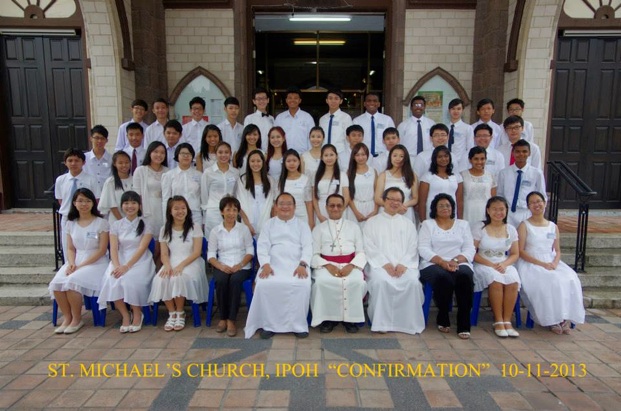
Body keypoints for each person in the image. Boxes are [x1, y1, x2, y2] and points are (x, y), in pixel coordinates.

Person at [245, 192, 313, 339]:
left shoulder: (302, 225)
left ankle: (298, 325)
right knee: (264, 284)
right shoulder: (269, 224)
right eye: (281, 203)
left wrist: (303, 264)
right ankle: (269, 325)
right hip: (273, 264)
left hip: (297, 264)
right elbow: (262, 247)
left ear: (295, 207)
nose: (285, 207)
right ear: (275, 206)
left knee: (302, 285)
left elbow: (308, 247)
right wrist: (265, 264)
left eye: (289, 203)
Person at [517, 191, 585, 334]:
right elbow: (521, 251)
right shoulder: (524, 225)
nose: (537, 205)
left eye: (539, 201)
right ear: (528, 206)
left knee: (571, 278)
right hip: (531, 262)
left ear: (545, 203)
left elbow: (557, 250)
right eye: (533, 202)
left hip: (551, 260)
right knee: (551, 280)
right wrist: (541, 264)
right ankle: (552, 319)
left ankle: (565, 317)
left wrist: (554, 263)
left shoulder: (553, 226)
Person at [363, 187, 425, 334]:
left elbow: (413, 246)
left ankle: (408, 324)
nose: (394, 203)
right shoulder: (372, 222)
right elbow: (369, 246)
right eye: (391, 199)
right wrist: (384, 264)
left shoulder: (408, 223)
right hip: (379, 266)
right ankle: (382, 323)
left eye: (398, 200)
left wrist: (403, 264)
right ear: (384, 200)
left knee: (412, 282)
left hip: (405, 266)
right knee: (381, 282)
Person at [49, 188, 109, 334]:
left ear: (93, 203)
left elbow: (102, 250)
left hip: (96, 262)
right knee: (57, 283)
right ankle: (67, 318)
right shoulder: (71, 223)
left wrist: (80, 266)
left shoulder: (101, 223)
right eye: (80, 201)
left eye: (87, 201)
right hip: (76, 260)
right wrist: (71, 263)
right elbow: (70, 248)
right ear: (74, 203)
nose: (84, 204)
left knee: (72, 282)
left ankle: (77, 319)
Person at [419, 193, 476, 339]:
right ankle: (443, 315)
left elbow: (470, 248)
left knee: (465, 276)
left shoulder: (463, 225)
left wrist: (455, 261)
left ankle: (464, 323)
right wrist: (442, 262)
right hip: (432, 262)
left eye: (448, 205)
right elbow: (423, 248)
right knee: (443, 277)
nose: (445, 208)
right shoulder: (427, 224)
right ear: (434, 208)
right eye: (441, 205)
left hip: (459, 261)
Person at [98, 191, 155, 333]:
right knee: (113, 279)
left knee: (130, 280)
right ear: (122, 205)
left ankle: (137, 313)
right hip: (120, 258)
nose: (130, 206)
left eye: (134, 203)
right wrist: (117, 265)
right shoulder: (116, 225)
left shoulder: (146, 224)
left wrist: (127, 266)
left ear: (139, 205)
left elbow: (142, 248)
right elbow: (114, 248)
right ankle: (125, 314)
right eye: (126, 203)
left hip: (140, 260)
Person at [148, 196, 209, 331]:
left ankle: (180, 311)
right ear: (170, 211)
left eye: (183, 208)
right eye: (176, 208)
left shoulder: (195, 227)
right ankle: (172, 312)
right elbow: (164, 254)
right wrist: (168, 266)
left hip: (191, 262)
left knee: (178, 278)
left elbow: (197, 252)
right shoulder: (165, 229)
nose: (180, 211)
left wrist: (181, 266)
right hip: (171, 261)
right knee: (161, 278)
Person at [311, 194, 367, 333]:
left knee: (356, 282)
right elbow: (313, 254)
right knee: (322, 282)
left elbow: (361, 252)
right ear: (326, 207)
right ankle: (329, 319)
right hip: (326, 265)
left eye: (339, 205)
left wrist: (352, 265)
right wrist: (328, 265)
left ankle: (350, 319)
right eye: (332, 205)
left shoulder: (353, 227)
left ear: (343, 207)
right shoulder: (319, 228)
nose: (335, 208)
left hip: (350, 264)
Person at [472, 196, 520, 338]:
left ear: (506, 211)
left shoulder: (511, 229)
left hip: (503, 263)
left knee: (513, 280)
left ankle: (507, 321)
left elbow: (515, 253)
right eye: (494, 209)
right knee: (496, 280)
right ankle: (498, 321)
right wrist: (491, 264)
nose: (498, 212)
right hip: (483, 263)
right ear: (488, 210)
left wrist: (504, 264)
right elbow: (472, 253)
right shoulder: (479, 227)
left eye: (501, 209)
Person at [207, 196, 254, 337]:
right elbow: (210, 255)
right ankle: (222, 318)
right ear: (222, 211)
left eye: (234, 210)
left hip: (242, 266)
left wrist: (239, 265)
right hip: (222, 265)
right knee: (221, 280)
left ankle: (232, 320)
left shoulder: (243, 229)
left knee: (235, 281)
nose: (231, 213)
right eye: (228, 209)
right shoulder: (215, 231)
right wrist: (220, 267)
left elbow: (250, 251)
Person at [55, 148, 101, 257]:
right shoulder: (61, 180)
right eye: (70, 160)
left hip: (86, 218)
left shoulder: (91, 179)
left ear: (83, 162)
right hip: (67, 218)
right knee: (68, 249)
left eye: (77, 160)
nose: (73, 163)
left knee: (86, 246)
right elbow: (61, 200)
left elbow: (97, 199)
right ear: (65, 163)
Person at [496, 140, 546, 227]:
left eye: (524, 151)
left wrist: (538, 214)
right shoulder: (504, 173)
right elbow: (500, 194)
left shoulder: (536, 173)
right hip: (509, 213)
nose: (521, 154)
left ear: (529, 153)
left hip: (528, 212)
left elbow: (542, 195)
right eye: (518, 151)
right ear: (513, 153)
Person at [201, 142, 239, 238]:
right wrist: (205, 216)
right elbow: (204, 195)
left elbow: (235, 193)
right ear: (215, 154)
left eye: (226, 152)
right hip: (213, 211)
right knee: (212, 241)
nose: (223, 155)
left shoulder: (235, 172)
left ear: (230, 154)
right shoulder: (208, 172)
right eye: (220, 152)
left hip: (231, 212)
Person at [236, 150, 277, 237]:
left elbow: (274, 204)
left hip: (266, 221)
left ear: (263, 162)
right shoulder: (242, 180)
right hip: (247, 222)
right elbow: (239, 204)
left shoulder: (270, 180)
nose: (255, 164)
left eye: (258, 161)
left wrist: (273, 223)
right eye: (252, 161)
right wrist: (247, 224)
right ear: (248, 163)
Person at [133, 141, 169, 237]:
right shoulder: (140, 170)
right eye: (156, 152)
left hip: (163, 208)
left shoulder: (168, 171)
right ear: (149, 153)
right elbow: (136, 194)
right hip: (147, 208)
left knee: (163, 235)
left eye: (162, 153)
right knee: (147, 235)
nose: (159, 155)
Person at [161, 143, 202, 226]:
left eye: (189, 154)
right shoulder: (169, 175)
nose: (186, 156)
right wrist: (166, 220)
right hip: (176, 215)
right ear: (177, 155)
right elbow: (166, 199)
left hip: (195, 215)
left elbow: (202, 197)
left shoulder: (199, 175)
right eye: (183, 153)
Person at [418, 145, 464, 221]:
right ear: (434, 159)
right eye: (440, 157)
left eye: (446, 156)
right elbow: (422, 202)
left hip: (451, 215)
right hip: (432, 216)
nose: (443, 159)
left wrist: (460, 220)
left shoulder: (457, 177)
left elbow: (459, 201)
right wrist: (423, 221)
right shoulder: (427, 177)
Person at [374, 144, 417, 221]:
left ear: (406, 158)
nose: (398, 159)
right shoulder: (383, 175)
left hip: (404, 211)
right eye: (395, 156)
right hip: (386, 212)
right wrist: (392, 206)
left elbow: (415, 198)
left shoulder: (412, 175)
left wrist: (402, 206)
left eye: (401, 156)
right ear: (390, 157)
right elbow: (377, 198)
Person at [461, 146, 497, 228]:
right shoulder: (463, 175)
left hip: (485, 212)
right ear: (470, 160)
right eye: (476, 159)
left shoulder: (490, 176)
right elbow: (459, 199)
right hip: (468, 212)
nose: (479, 162)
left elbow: (493, 200)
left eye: (482, 159)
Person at [312, 144, 349, 224]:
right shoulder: (316, 175)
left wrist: (338, 211)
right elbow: (314, 197)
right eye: (326, 155)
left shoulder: (342, 175)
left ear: (336, 156)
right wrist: (319, 215)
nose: (329, 158)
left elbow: (346, 197)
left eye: (331, 155)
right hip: (321, 210)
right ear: (321, 157)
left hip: (338, 210)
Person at [344, 143, 377, 228]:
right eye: (357, 155)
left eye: (363, 154)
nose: (360, 157)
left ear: (367, 155)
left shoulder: (373, 171)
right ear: (353, 156)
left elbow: (377, 193)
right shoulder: (349, 173)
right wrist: (356, 213)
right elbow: (348, 195)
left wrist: (375, 210)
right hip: (355, 208)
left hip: (371, 207)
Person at [352, 92, 395, 157]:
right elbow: (353, 140)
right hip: (364, 156)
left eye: (375, 101)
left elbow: (393, 139)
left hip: (383, 156)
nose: (372, 103)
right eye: (369, 101)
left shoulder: (387, 120)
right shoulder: (357, 121)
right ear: (364, 103)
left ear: (379, 104)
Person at [278, 149, 314, 228]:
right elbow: (276, 203)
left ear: (299, 162)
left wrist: (311, 221)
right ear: (284, 163)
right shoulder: (280, 181)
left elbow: (309, 202)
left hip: (302, 216)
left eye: (294, 160)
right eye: (288, 161)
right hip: (285, 217)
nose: (292, 163)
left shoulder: (305, 179)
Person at [274, 86, 315, 154]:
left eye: (295, 98)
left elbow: (312, 138)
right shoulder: (280, 118)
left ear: (300, 100)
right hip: (284, 156)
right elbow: (274, 137)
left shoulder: (307, 117)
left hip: (303, 156)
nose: (292, 100)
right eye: (290, 98)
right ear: (286, 100)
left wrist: (309, 156)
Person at [99, 151, 133, 223]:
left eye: (127, 162)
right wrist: (123, 222)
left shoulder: (134, 179)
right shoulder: (110, 182)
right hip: (117, 220)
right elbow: (112, 205)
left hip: (133, 219)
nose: (124, 165)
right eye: (120, 163)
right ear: (114, 164)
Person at [319, 88, 352, 153]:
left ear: (341, 101)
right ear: (326, 100)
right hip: (324, 154)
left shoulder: (346, 118)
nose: (333, 101)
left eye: (336, 98)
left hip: (340, 154)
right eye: (330, 98)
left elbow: (349, 138)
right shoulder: (322, 119)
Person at [446, 98, 474, 173]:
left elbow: (470, 148)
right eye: (453, 108)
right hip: (445, 162)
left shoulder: (467, 128)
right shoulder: (444, 128)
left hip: (461, 164)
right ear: (449, 111)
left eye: (459, 109)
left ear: (462, 111)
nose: (456, 111)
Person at [244, 87, 274, 152]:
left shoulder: (272, 119)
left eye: (264, 98)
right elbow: (247, 137)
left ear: (268, 100)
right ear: (254, 101)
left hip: (270, 153)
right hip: (255, 153)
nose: (261, 101)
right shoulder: (249, 118)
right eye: (258, 99)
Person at [84, 125, 112, 193]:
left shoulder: (112, 159)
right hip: (88, 195)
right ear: (91, 138)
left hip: (107, 194)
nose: (99, 141)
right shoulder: (84, 158)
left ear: (106, 140)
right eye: (96, 138)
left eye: (102, 138)